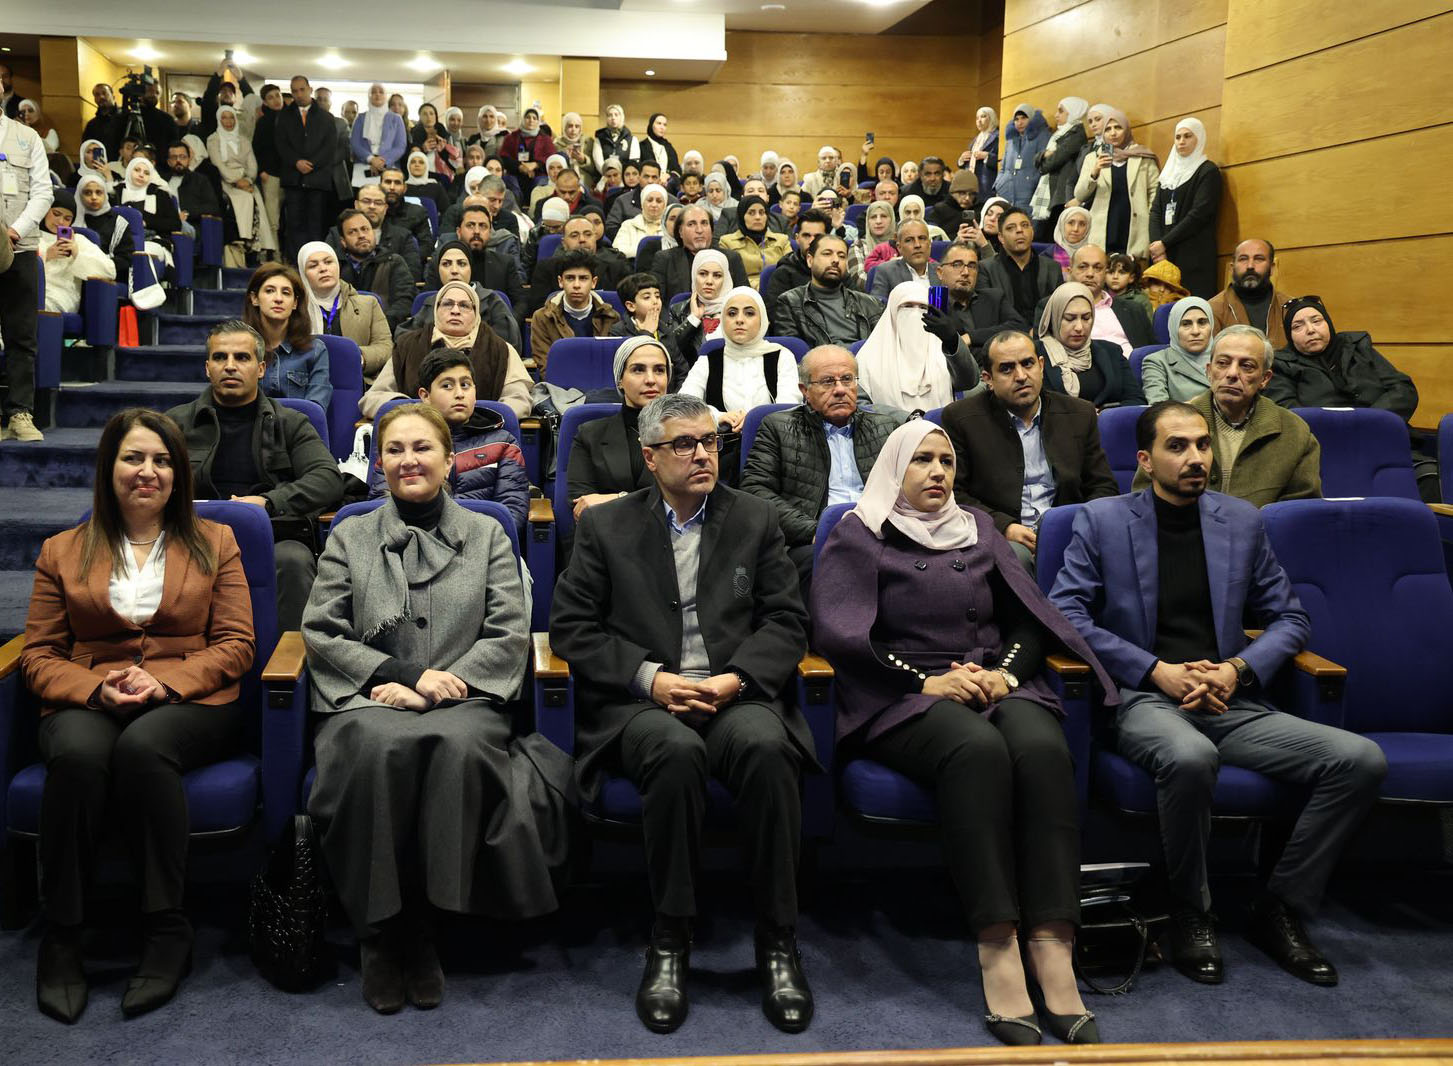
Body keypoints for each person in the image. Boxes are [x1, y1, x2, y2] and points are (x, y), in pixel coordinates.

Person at [1050, 401, 1387, 988]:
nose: (1195, 458)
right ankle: (1191, 909)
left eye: (1203, 445)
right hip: (1144, 699)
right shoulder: (1101, 520)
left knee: (1360, 760)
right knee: (1190, 756)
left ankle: (1279, 906)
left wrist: (1237, 669)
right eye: (1177, 446)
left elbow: (1290, 618)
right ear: (1145, 460)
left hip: (1230, 701)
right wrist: (1155, 670)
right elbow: (1065, 613)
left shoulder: (1241, 521)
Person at [813, 418, 1115, 1045]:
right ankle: (997, 941)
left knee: (1041, 748)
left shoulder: (977, 526)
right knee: (976, 751)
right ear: (894, 468)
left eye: (946, 461)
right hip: (898, 695)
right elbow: (841, 634)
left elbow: (1028, 618)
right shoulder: (860, 531)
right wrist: (925, 681)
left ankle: (1052, 941)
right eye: (921, 460)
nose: (937, 473)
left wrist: (1005, 676)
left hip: (989, 680)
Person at [550, 392, 815, 1035]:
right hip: (643, 701)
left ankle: (778, 939)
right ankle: (670, 937)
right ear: (650, 457)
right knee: (674, 754)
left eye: (710, 442)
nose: (702, 455)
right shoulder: (607, 526)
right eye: (684, 445)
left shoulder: (754, 518)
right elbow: (571, 628)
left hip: (733, 692)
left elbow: (786, 621)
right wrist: (651, 679)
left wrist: (736, 679)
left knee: (766, 748)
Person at [304, 402, 570, 1014]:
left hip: (466, 696)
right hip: (367, 696)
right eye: (394, 450)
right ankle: (379, 932)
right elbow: (322, 631)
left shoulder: (488, 533)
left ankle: (425, 925)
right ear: (379, 464)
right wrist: (400, 676)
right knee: (379, 746)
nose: (409, 460)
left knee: (454, 745)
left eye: (422, 448)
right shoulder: (350, 533)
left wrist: (432, 687)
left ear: (450, 461)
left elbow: (509, 631)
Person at [23, 408, 255, 1023]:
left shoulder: (217, 542)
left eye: (161, 460)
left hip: (191, 696)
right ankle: (63, 935)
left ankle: (166, 928)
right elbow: (39, 655)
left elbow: (236, 645)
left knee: (144, 748)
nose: (148, 471)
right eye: (133, 458)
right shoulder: (61, 551)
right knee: (77, 756)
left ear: (179, 474)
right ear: (110, 468)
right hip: (89, 691)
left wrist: (165, 681)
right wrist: (95, 690)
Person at [167, 320, 344, 630]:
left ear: (261, 368)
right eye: (220, 357)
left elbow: (327, 478)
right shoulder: (176, 424)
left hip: (271, 537)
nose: (230, 366)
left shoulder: (290, 422)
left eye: (242, 357)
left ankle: (294, 657)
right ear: (208, 368)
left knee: (293, 560)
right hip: (193, 536)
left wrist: (269, 502)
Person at [942, 330, 1117, 570]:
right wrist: (1003, 526)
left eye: (1028, 364)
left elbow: (1103, 486)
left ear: (1041, 366)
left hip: (1070, 531)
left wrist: (1079, 525)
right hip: (1002, 539)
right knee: (1016, 558)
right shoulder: (962, 419)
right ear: (988, 378)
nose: (1021, 376)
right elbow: (955, 493)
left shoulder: (1079, 414)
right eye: (1006, 369)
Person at [742, 344, 906, 597]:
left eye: (847, 379)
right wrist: (815, 530)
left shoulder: (886, 427)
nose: (840, 389)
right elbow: (755, 490)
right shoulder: (777, 427)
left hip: (879, 532)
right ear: (805, 391)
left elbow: (907, 488)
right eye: (828, 382)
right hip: (812, 538)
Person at [1134, 326, 1321, 506]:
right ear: (1209, 371)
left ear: (1265, 379)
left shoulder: (1294, 431)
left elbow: (1296, 512)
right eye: (1223, 363)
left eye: (1247, 366)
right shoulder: (1172, 425)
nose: (1232, 374)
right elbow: (1143, 498)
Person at [364, 351, 528, 525]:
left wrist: (475, 537)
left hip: (483, 538)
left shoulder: (503, 443)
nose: (459, 394)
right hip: (408, 537)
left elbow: (513, 510)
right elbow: (380, 504)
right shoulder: (402, 445)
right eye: (447, 386)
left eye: (465, 385)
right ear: (425, 396)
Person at [363, 281, 532, 421]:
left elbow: (519, 401)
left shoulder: (500, 349)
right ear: (436, 310)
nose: (455, 311)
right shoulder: (407, 346)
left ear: (476, 313)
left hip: (481, 435)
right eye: (447, 304)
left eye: (464, 305)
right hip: (417, 435)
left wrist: (476, 417)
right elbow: (373, 399)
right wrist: (416, 412)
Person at [567, 336, 676, 529]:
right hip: (605, 539)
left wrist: (618, 498)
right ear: (620, 380)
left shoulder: (686, 436)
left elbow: (684, 502)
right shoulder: (589, 434)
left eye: (659, 370)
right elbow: (582, 507)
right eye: (638, 370)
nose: (651, 380)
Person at [1265, 296, 1419, 423]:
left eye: (1316, 321)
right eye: (1298, 326)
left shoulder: (1356, 346)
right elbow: (1289, 414)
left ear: (1328, 324)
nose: (1310, 330)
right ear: (1289, 336)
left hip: (1380, 431)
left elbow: (1403, 390)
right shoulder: (1281, 365)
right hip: (1322, 442)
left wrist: (1369, 421)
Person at [0, 101, 54, 442]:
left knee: (21, 335)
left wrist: (14, 231)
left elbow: (43, 192)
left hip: (19, 247)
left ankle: (20, 413)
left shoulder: (27, 136)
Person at [679, 287, 798, 432]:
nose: (739, 320)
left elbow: (789, 409)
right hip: (721, 442)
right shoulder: (707, 361)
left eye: (749, 313)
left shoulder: (782, 356)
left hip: (772, 440)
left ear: (762, 320)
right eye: (732, 313)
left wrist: (753, 419)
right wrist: (717, 417)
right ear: (723, 320)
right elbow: (684, 405)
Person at [1035, 282, 1143, 408]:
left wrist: (1106, 415)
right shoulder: (1035, 354)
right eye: (1070, 318)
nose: (1079, 327)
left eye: (1086, 318)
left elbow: (1136, 400)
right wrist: (1086, 416)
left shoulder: (1112, 351)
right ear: (1055, 318)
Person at [240, 264, 333, 409]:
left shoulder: (315, 350)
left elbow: (315, 409)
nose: (278, 298)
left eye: (286, 293)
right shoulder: (239, 348)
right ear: (254, 298)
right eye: (270, 291)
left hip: (300, 423)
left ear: (295, 303)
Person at [1149, 118, 1222, 299]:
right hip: (1164, 256)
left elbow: (1199, 214)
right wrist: (1157, 248)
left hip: (1194, 256)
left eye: (1188, 136)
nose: (1181, 141)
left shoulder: (1207, 171)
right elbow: (1155, 211)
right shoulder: (1168, 174)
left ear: (1199, 138)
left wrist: (1164, 243)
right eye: (1178, 137)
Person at [298, 241, 392, 380]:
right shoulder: (295, 309)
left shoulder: (368, 304)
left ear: (338, 265)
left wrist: (357, 357)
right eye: (313, 265)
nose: (323, 269)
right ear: (303, 273)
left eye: (328, 262)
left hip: (358, 380)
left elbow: (385, 346)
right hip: (306, 381)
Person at [1073, 108, 1158, 259]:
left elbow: (1154, 192)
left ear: (1126, 130)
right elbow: (1080, 195)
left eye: (1118, 127)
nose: (1113, 133)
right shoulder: (1093, 158)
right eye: (1108, 129)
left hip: (1134, 228)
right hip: (1103, 229)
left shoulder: (1143, 156)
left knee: (1130, 270)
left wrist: (1148, 218)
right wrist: (1095, 172)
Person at [775, 235, 884, 350]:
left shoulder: (870, 304)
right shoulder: (790, 302)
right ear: (810, 260)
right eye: (827, 254)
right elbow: (793, 352)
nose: (836, 260)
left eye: (841, 256)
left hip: (863, 359)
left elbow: (884, 349)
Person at [414, 236, 521, 350]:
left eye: (461, 264)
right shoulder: (431, 303)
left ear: (471, 269)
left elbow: (508, 341)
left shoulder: (491, 300)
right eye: (446, 264)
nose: (454, 270)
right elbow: (408, 339)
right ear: (438, 270)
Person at [275, 75, 337, 258]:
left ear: (310, 89)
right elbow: (281, 144)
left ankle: (315, 260)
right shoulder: (283, 116)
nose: (299, 94)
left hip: (317, 179)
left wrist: (312, 164)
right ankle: (295, 263)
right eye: (295, 91)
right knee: (294, 224)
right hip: (293, 178)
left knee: (315, 224)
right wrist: (296, 162)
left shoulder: (326, 117)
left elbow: (330, 147)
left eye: (302, 89)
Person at [1055, 244, 1156, 356]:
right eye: (1083, 267)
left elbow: (1153, 352)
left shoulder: (1134, 309)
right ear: (1070, 271)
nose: (1090, 274)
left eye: (1097, 268)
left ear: (1105, 273)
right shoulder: (1053, 307)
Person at [528, 250, 622, 370]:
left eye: (583, 278)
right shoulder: (542, 318)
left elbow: (615, 365)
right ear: (560, 282)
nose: (576, 285)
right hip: (560, 381)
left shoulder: (611, 317)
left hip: (601, 380)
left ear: (593, 282)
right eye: (570, 278)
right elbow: (546, 367)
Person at [207, 104, 277, 265]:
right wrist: (236, 180)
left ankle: (257, 247)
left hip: (246, 181)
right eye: (224, 118)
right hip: (226, 182)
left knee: (255, 199)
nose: (228, 121)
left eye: (231, 117)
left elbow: (252, 165)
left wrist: (248, 180)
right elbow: (218, 164)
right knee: (244, 199)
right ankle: (243, 240)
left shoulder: (243, 140)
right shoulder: (213, 140)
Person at [937, 241, 1027, 360]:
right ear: (940, 273)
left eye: (972, 266)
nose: (966, 273)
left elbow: (1020, 326)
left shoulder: (994, 298)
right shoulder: (934, 303)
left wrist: (971, 337)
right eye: (957, 264)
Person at [979, 207, 1060, 328]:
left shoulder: (1052, 267)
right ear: (1001, 237)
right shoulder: (985, 269)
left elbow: (1058, 311)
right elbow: (989, 315)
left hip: (1044, 332)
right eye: (1011, 228)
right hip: (1003, 333)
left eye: (1025, 225)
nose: (1019, 230)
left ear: (1032, 231)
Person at [335, 208, 415, 329]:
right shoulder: (336, 267)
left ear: (373, 233)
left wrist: (378, 326)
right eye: (352, 232)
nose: (361, 235)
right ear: (343, 242)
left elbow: (404, 302)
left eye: (365, 229)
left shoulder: (393, 262)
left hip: (387, 329)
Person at [38, 189, 116, 312]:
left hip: (61, 296)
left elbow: (110, 271)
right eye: (56, 214)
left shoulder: (79, 240)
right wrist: (46, 255)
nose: (60, 222)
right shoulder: (30, 236)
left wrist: (77, 253)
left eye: (67, 218)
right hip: (31, 291)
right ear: (45, 211)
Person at [1208, 239, 1290, 348]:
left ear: (1272, 267)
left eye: (1259, 259)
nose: (1250, 266)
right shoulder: (1211, 310)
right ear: (1232, 268)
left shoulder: (1290, 308)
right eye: (1243, 259)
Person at [447, 204, 525, 312]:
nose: (477, 231)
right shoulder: (443, 264)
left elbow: (521, 303)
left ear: (490, 232)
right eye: (470, 225)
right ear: (459, 232)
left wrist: (506, 321)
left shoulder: (505, 264)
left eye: (483, 226)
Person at [1030, 97, 1089, 237]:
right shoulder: (1060, 134)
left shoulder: (1076, 135)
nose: (1056, 115)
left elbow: (1052, 162)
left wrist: (1043, 160)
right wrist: (1044, 155)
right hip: (1054, 191)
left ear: (1072, 112)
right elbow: (1037, 159)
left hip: (1061, 193)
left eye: (1061, 111)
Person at [1141, 296, 1214, 403]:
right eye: (1186, 324)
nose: (1195, 331)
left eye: (1202, 322)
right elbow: (1159, 408)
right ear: (1174, 328)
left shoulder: (1228, 357)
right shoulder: (1157, 362)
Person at [761, 210, 830, 320]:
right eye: (806, 236)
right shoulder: (783, 273)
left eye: (818, 236)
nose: (811, 241)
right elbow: (777, 316)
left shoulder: (836, 270)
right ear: (797, 238)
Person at [716, 195, 790, 289]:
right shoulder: (726, 242)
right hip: (743, 291)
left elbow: (790, 271)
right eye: (751, 213)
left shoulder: (782, 240)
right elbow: (728, 278)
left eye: (762, 213)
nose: (758, 217)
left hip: (778, 289)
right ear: (742, 216)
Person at [74, 174, 135, 285]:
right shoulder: (70, 219)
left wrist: (99, 264)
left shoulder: (119, 223)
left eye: (98, 192)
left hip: (107, 278)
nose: (94, 197)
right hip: (74, 274)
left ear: (105, 194)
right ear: (79, 195)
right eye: (88, 193)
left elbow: (126, 258)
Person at [252, 84, 286, 258]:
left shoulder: (291, 118)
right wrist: (262, 170)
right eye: (271, 97)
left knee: (288, 217)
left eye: (277, 95)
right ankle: (275, 253)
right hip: (270, 175)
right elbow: (257, 148)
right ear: (265, 102)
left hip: (290, 175)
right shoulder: (263, 122)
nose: (276, 100)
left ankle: (286, 252)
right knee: (273, 218)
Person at [994, 104, 1050, 210]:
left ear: (1031, 118)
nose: (1020, 122)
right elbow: (1003, 167)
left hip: (1029, 194)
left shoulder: (1042, 136)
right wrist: (998, 183)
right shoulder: (1011, 140)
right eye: (1016, 119)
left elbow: (1044, 165)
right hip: (1005, 193)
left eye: (1024, 118)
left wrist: (1031, 182)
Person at [869, 220, 939, 299]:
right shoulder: (886, 272)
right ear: (899, 247)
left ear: (929, 244)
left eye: (922, 238)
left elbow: (947, 304)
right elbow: (877, 305)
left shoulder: (941, 271)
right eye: (909, 240)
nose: (917, 245)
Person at [163, 141, 221, 230]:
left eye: (182, 157)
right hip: (165, 225)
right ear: (169, 162)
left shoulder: (200, 180)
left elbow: (212, 207)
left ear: (189, 159)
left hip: (190, 225)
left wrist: (188, 213)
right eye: (174, 157)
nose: (178, 160)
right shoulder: (162, 181)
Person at [500, 108, 556, 184]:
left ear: (538, 121)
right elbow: (504, 158)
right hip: (515, 174)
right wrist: (520, 167)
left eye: (534, 118)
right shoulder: (511, 137)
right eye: (528, 117)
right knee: (509, 181)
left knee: (541, 183)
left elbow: (552, 159)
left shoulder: (546, 139)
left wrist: (536, 165)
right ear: (523, 119)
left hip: (538, 174)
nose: (531, 120)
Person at [613, 183, 669, 257]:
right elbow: (618, 250)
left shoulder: (670, 227)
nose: (654, 205)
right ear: (642, 203)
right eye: (650, 200)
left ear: (665, 205)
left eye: (659, 201)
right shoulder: (628, 225)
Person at [964, 106, 1000, 202]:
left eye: (983, 116)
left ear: (991, 118)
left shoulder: (998, 137)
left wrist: (987, 156)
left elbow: (1003, 161)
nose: (979, 121)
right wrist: (962, 160)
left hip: (988, 184)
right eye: (977, 118)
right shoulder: (976, 139)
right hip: (973, 185)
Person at [404, 149, 450, 220]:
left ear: (426, 166)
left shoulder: (436, 187)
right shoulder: (403, 187)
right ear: (408, 166)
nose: (417, 165)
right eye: (413, 162)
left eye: (421, 162)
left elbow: (446, 212)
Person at [593, 105, 636, 175]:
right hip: (604, 176)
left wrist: (621, 176)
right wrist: (609, 175)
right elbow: (598, 161)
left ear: (622, 117)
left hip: (625, 177)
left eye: (616, 115)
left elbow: (633, 163)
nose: (613, 118)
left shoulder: (632, 139)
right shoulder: (599, 138)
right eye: (610, 115)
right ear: (607, 119)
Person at [1050, 205, 1091, 277]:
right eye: (1071, 223)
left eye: (1082, 224)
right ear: (1062, 225)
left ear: (1087, 229)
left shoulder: (1095, 256)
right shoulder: (1046, 256)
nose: (1075, 229)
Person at [634, 113, 680, 177]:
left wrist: (668, 176)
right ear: (651, 125)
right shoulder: (642, 146)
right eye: (659, 123)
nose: (662, 127)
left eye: (665, 125)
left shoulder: (669, 147)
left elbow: (677, 169)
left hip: (667, 182)